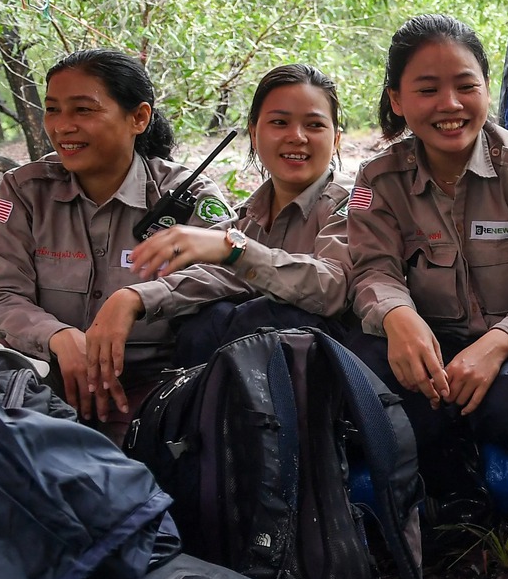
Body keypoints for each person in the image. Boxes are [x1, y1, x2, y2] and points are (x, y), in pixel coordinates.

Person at [344, 14, 508, 525]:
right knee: (362, 364)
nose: (450, 105)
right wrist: (398, 317)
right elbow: (371, 270)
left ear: (487, 88)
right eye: (427, 89)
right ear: (397, 100)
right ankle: (454, 479)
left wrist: (495, 345)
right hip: (432, 347)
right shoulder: (379, 178)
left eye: (466, 86)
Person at [0, 48, 232, 425]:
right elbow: (0, 295)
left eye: (83, 110)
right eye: (52, 109)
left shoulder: (185, 196)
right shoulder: (25, 191)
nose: (62, 126)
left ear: (139, 117)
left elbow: (230, 271)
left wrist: (136, 298)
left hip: (161, 393)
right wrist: (58, 337)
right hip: (42, 386)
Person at [83, 64, 351, 367]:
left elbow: (334, 286)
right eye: (279, 122)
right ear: (254, 132)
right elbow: (221, 276)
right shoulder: (251, 214)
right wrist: (135, 297)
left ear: (336, 138)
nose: (296, 137)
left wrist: (233, 249)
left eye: (314, 125)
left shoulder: (351, 205)